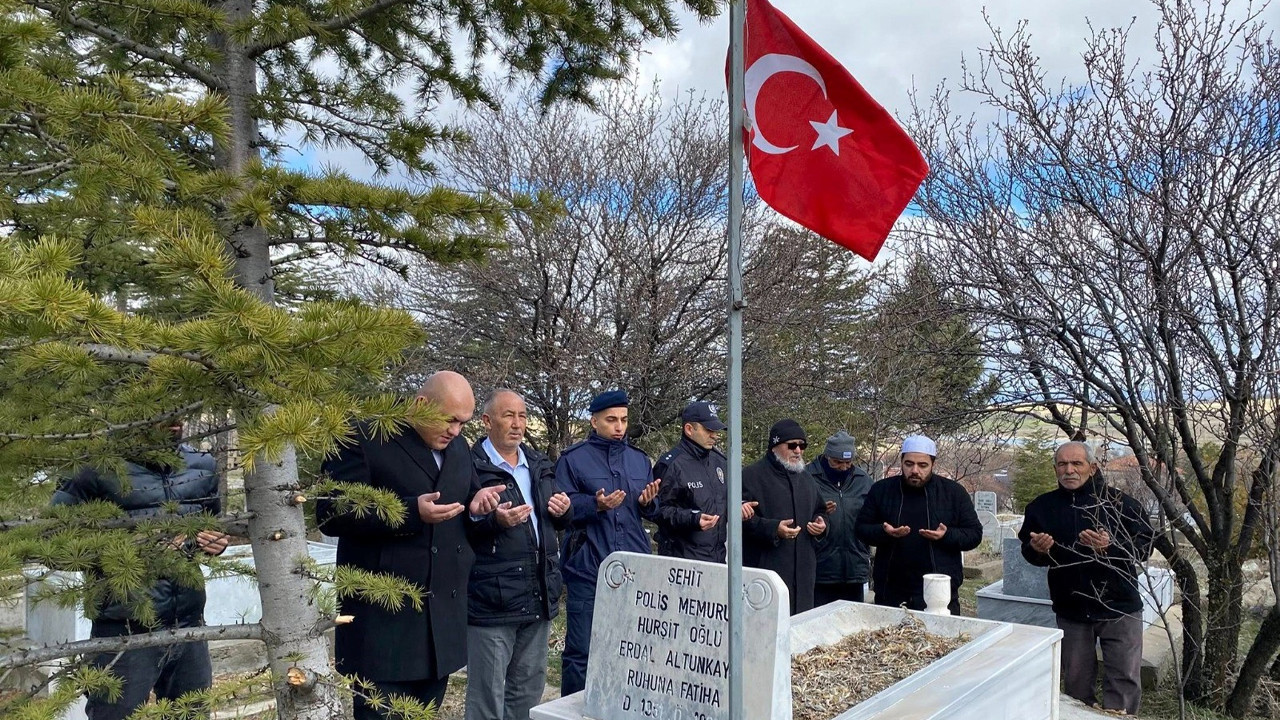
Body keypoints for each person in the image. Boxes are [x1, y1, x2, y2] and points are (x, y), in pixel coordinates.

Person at [317, 371, 502, 719]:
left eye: (463, 423)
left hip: (439, 629)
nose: (455, 431)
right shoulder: (363, 438)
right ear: (420, 405)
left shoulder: (458, 447)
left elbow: (466, 500)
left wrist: (479, 506)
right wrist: (409, 511)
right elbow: (331, 512)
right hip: (383, 628)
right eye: (449, 420)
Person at [51, 423, 228, 720]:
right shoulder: (93, 469)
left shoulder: (202, 465)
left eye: (177, 404)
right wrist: (141, 547)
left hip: (189, 625)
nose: (174, 417)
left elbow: (209, 525)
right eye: (158, 404)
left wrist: (215, 542)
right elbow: (53, 546)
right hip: (123, 630)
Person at [1019, 441, 1154, 715]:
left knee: (1124, 682)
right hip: (1071, 608)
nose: (1069, 470)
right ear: (1055, 468)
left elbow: (1144, 547)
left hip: (1119, 608)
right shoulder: (1041, 507)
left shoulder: (1122, 505)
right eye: (1062, 464)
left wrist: (1109, 548)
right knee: (1076, 685)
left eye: (1076, 464)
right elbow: (1029, 551)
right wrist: (1038, 549)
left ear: (1092, 468)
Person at [465, 389, 572, 720]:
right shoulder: (468, 467)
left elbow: (554, 519)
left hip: (538, 594)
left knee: (527, 691)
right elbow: (457, 526)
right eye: (508, 415)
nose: (517, 423)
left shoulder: (539, 464)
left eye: (522, 416)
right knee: (487, 696)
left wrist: (564, 512)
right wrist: (492, 521)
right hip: (491, 601)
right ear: (486, 421)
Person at [555, 389, 661, 696]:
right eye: (611, 420)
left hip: (633, 568)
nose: (619, 427)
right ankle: (573, 711)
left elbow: (651, 509)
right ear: (594, 421)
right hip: (588, 566)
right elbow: (562, 508)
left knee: (631, 647)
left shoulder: (639, 460)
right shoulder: (573, 460)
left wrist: (647, 503)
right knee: (581, 651)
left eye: (624, 420)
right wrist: (595, 505)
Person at [855, 435, 981, 614]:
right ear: (901, 461)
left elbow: (974, 534)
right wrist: (884, 532)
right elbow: (861, 529)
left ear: (933, 464)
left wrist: (946, 536)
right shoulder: (882, 490)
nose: (915, 470)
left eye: (922, 465)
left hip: (939, 591)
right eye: (909, 464)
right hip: (892, 589)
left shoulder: (953, 493)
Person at [741, 419, 827, 615]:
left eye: (802, 445)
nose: (798, 450)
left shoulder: (806, 478)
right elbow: (740, 519)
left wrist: (822, 524)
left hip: (804, 574)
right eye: (792, 445)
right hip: (767, 572)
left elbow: (819, 510)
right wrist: (773, 529)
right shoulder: (751, 476)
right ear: (774, 446)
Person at [653, 401, 728, 562]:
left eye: (715, 430)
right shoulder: (672, 464)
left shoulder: (720, 461)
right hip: (682, 562)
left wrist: (741, 505)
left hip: (717, 559)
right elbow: (657, 510)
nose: (714, 435)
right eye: (708, 430)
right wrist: (692, 518)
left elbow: (725, 500)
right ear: (689, 429)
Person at [807, 430, 873, 605]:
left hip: (854, 570)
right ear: (827, 456)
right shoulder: (807, 477)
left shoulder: (863, 480)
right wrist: (817, 512)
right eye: (837, 462)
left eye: (848, 462)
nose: (843, 467)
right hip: (820, 570)